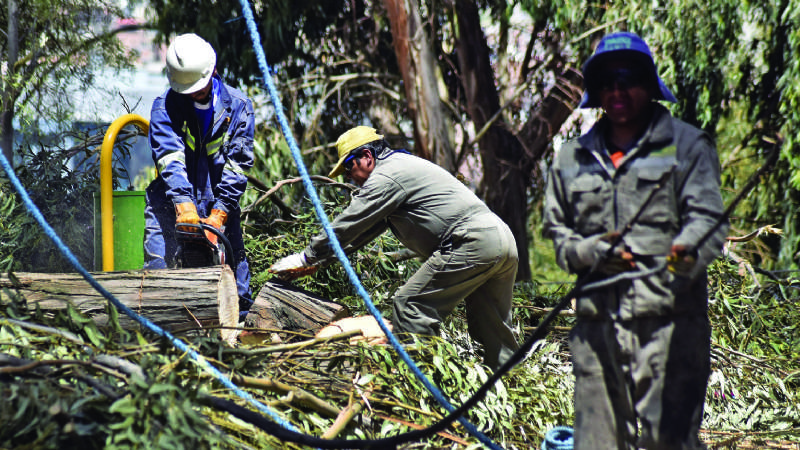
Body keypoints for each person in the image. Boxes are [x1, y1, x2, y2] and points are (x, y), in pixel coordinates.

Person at [542, 31, 728, 449]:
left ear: (648, 83)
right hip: (597, 330)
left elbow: (709, 220)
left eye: (627, 77)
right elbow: (559, 236)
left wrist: (684, 253)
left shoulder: (687, 146)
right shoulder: (572, 157)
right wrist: (592, 251)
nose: (617, 89)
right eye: (606, 81)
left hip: (670, 328)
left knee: (669, 442)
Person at [270, 126, 519, 370]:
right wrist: (318, 262)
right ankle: (509, 387)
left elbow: (350, 222)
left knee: (411, 305)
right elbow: (362, 232)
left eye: (348, 167)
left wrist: (306, 256)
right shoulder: (402, 168)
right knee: (493, 329)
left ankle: (424, 385)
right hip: (501, 240)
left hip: (470, 241)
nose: (349, 177)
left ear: (367, 156)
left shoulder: (387, 175)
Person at [143, 33, 255, 310]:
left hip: (219, 199)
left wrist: (219, 214)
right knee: (158, 280)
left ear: (213, 70)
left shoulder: (239, 108)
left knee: (236, 290)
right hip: (168, 202)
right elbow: (169, 159)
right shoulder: (165, 108)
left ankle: (238, 337)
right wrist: (184, 207)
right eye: (188, 89)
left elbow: (237, 165)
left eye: (199, 87)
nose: (194, 92)